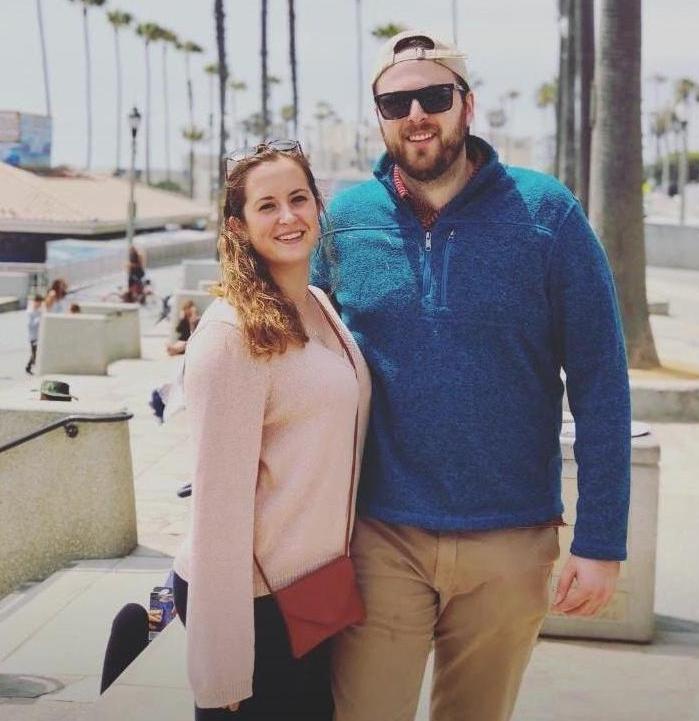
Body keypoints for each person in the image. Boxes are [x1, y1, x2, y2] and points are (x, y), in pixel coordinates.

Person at [312, 31, 631, 721]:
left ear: (467, 104)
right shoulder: (344, 222)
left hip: (510, 539)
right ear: (378, 116)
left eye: (434, 96)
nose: (416, 115)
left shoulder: (548, 214)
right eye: (395, 103)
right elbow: (299, 359)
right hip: (378, 535)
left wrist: (601, 541)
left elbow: (601, 380)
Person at [171, 141, 371, 719]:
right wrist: (223, 660)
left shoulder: (318, 303)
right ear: (238, 225)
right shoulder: (230, 336)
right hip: (250, 599)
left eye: (298, 199)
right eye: (267, 206)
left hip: (314, 589)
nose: (288, 217)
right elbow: (217, 506)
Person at [25, 294, 43, 375]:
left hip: (39, 335)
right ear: (36, 302)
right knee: (34, 353)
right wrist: (38, 320)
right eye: (39, 302)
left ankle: (28, 367)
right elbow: (29, 324)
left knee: (36, 352)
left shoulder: (39, 310)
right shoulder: (30, 311)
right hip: (33, 336)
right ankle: (30, 367)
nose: (40, 304)